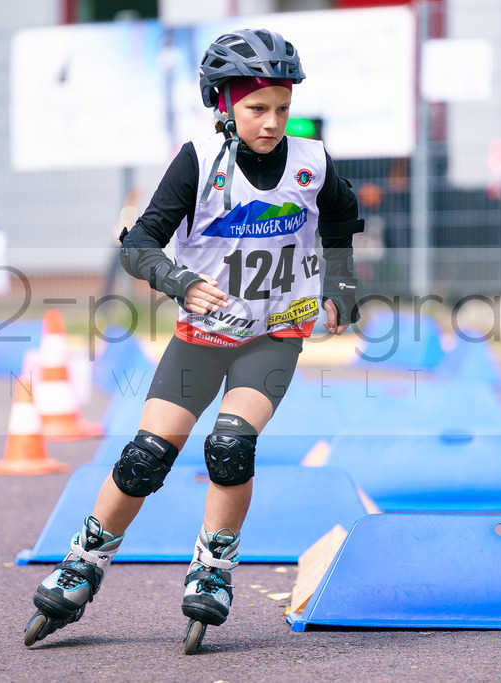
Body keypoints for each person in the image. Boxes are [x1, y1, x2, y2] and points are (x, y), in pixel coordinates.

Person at [22, 29, 363, 653]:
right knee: (147, 455)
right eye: (257, 108)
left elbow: (343, 217)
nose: (272, 122)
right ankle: (83, 563)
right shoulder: (197, 163)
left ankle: (213, 568)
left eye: (282, 108)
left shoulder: (312, 161)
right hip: (200, 338)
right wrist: (179, 281)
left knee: (231, 446)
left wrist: (342, 285)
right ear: (223, 103)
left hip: (274, 335)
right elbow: (137, 244)